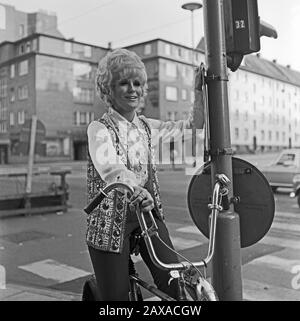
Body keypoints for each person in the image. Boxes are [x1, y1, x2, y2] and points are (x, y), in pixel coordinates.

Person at [86, 48, 204, 301]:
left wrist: (199, 93)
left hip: (147, 216)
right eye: (123, 83)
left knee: (175, 283)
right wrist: (137, 189)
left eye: (137, 83)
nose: (132, 89)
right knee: (116, 300)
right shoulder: (99, 129)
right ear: (108, 90)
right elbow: (111, 168)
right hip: (109, 226)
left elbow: (193, 128)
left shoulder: (147, 127)